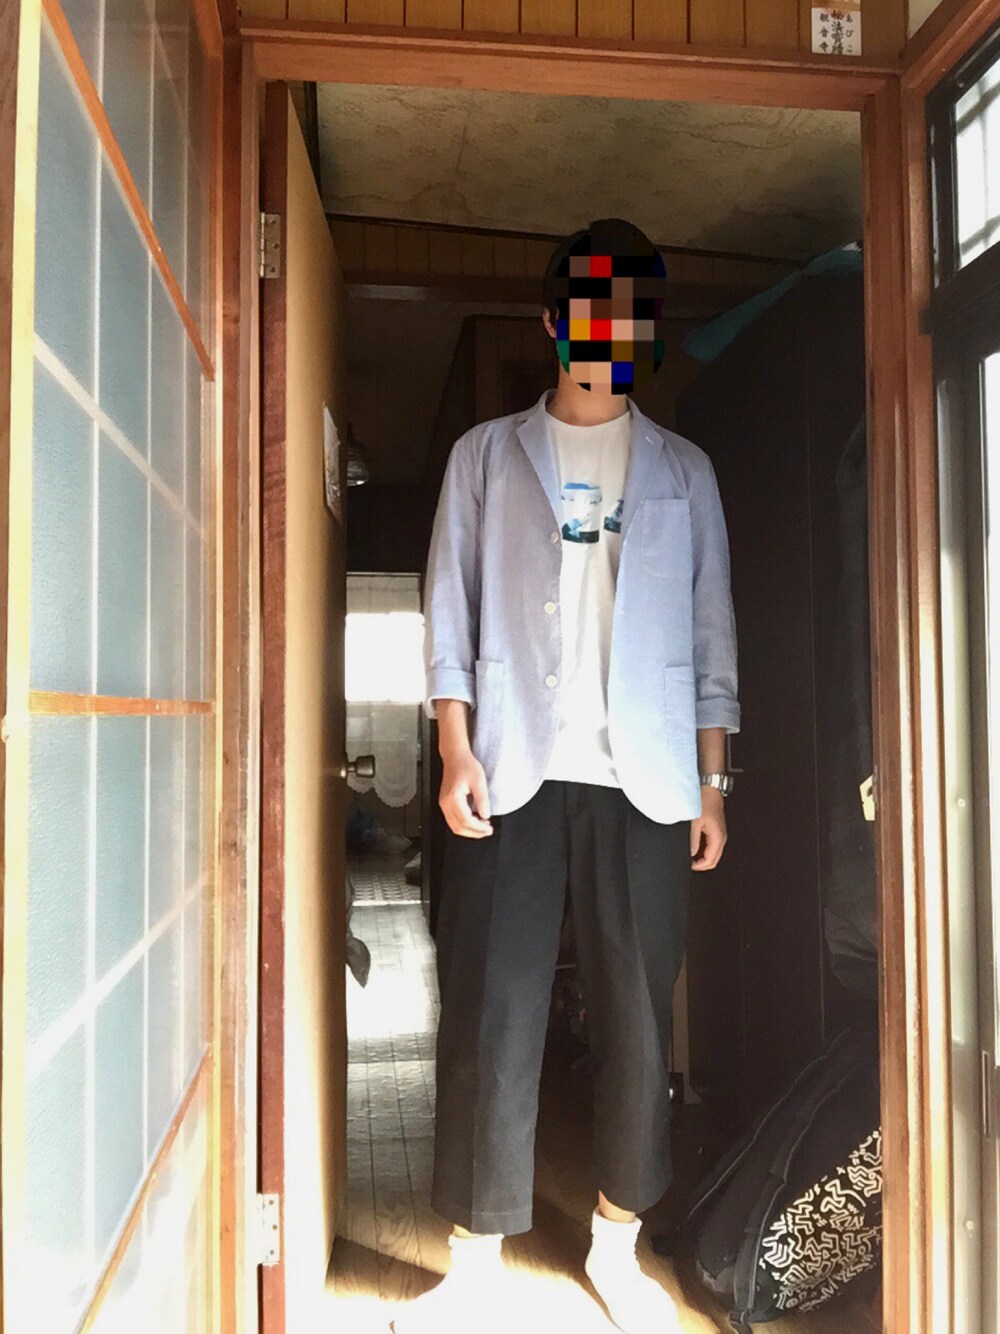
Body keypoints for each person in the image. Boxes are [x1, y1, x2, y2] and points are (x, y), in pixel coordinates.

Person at [392, 218, 740, 1333]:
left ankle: (616, 1242)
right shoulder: (486, 456)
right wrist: (454, 748)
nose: (613, 337)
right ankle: (474, 1257)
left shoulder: (685, 470)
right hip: (511, 769)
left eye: (632, 318)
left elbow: (711, 635)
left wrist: (714, 781)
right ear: (555, 323)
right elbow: (449, 613)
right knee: (492, 1007)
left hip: (647, 778)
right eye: (595, 314)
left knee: (637, 1016)